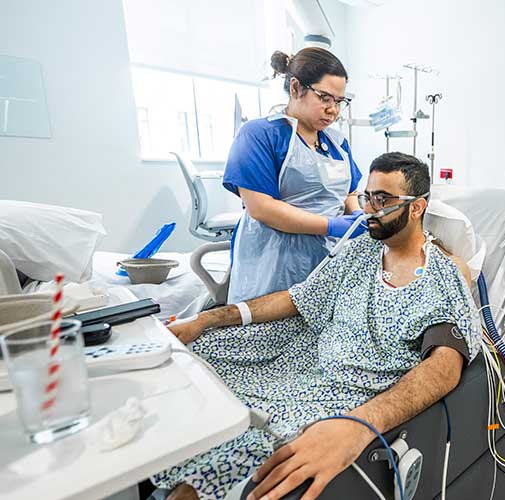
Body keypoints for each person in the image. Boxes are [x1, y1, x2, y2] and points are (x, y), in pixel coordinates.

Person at [155, 153, 478, 500]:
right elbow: (296, 298)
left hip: (344, 391)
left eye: (382, 199)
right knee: (191, 358)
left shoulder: (441, 272)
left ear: (417, 208)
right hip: (302, 361)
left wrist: (360, 424)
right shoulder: (359, 253)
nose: (368, 208)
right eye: (367, 196)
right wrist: (205, 320)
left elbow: (444, 367)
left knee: (237, 446)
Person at [223, 47, 367, 304]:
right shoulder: (259, 135)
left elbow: (350, 190)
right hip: (274, 263)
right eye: (324, 97)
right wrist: (331, 226)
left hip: (326, 259)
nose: (333, 110)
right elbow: (262, 208)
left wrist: (355, 214)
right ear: (295, 88)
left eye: (339, 101)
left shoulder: (337, 142)